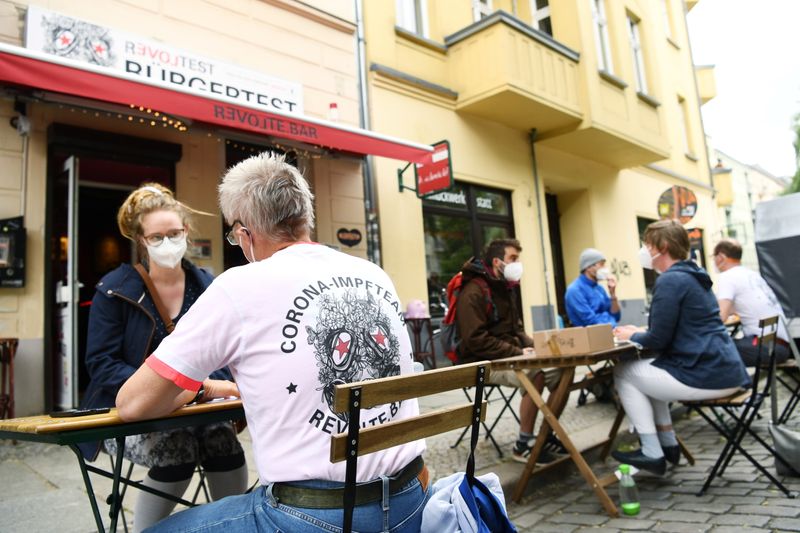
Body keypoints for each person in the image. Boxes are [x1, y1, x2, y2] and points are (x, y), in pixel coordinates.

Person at [116, 153, 428, 532]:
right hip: (410, 502)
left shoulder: (238, 286)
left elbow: (132, 403)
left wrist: (199, 390)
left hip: (311, 516)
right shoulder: (373, 274)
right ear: (304, 217)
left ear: (245, 234)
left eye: (234, 235)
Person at [79, 183, 248, 532]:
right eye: (157, 237)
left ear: (186, 231)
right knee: (178, 449)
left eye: (174, 233)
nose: (168, 242)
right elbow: (101, 364)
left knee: (225, 443)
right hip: (128, 411)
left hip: (196, 408)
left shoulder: (207, 285)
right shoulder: (114, 290)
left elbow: (224, 349)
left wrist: (205, 389)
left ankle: (236, 526)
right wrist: (181, 389)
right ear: (142, 241)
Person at [613, 220, 750, 475]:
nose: (644, 251)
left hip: (707, 373)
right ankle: (668, 444)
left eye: (647, 245)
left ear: (662, 247)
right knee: (649, 370)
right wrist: (643, 333)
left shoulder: (670, 281)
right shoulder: (693, 275)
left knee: (624, 372)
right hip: (725, 369)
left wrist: (634, 334)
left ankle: (652, 451)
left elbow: (658, 340)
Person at [455, 238, 564, 464]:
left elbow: (517, 330)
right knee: (536, 374)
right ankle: (523, 444)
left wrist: (540, 346)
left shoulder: (506, 288)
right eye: (513, 258)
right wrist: (517, 352)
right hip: (480, 363)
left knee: (561, 372)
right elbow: (476, 340)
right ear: (497, 261)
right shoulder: (473, 291)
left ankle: (545, 435)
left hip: (506, 356)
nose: (517, 264)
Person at [712, 238, 792, 366]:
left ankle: (740, 385)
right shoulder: (752, 275)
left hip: (766, 347)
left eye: (714, 257)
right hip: (783, 346)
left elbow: (721, 316)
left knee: (711, 350)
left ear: (721, 257)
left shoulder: (728, 276)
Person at [565, 248, 620, 327]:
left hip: (608, 332)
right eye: (601, 264)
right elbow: (590, 321)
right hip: (589, 337)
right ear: (589, 267)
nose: (605, 268)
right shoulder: (574, 290)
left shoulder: (599, 289)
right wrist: (611, 321)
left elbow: (616, 316)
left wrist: (613, 294)